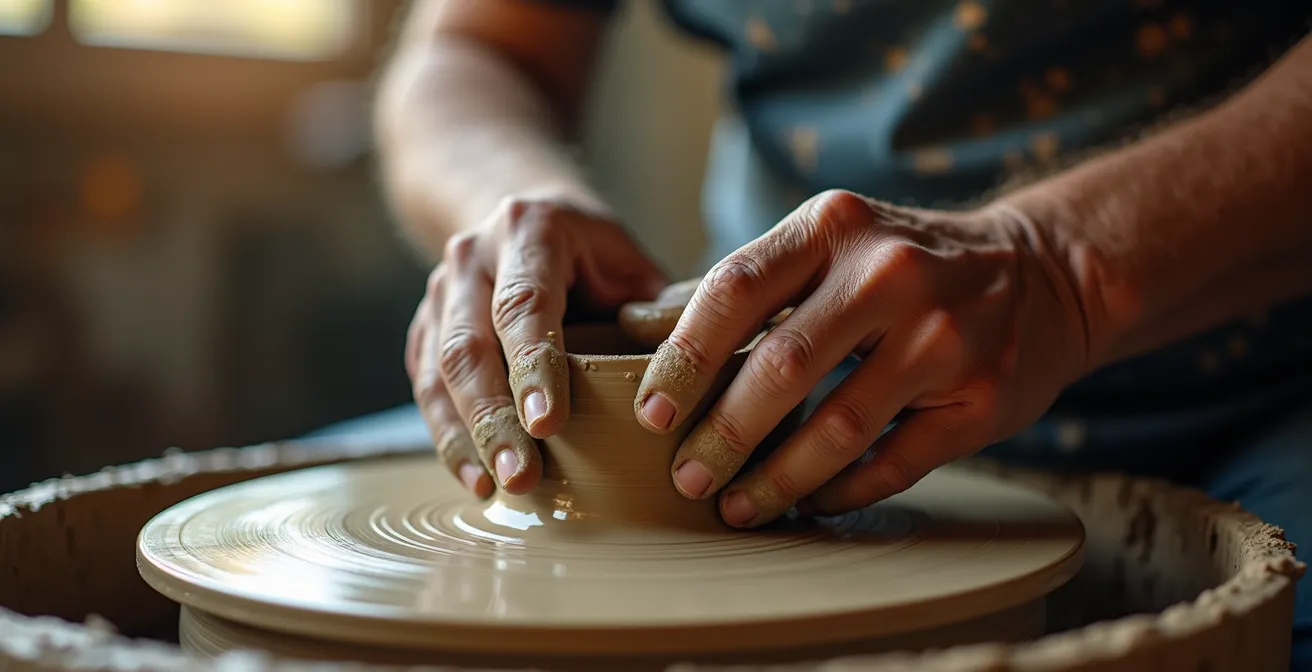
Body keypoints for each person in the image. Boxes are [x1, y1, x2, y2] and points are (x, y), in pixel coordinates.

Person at [317, 0, 1312, 666]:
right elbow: (478, 49)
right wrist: (511, 202)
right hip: (775, 411)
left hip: (1242, 371)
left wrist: (1061, 268)